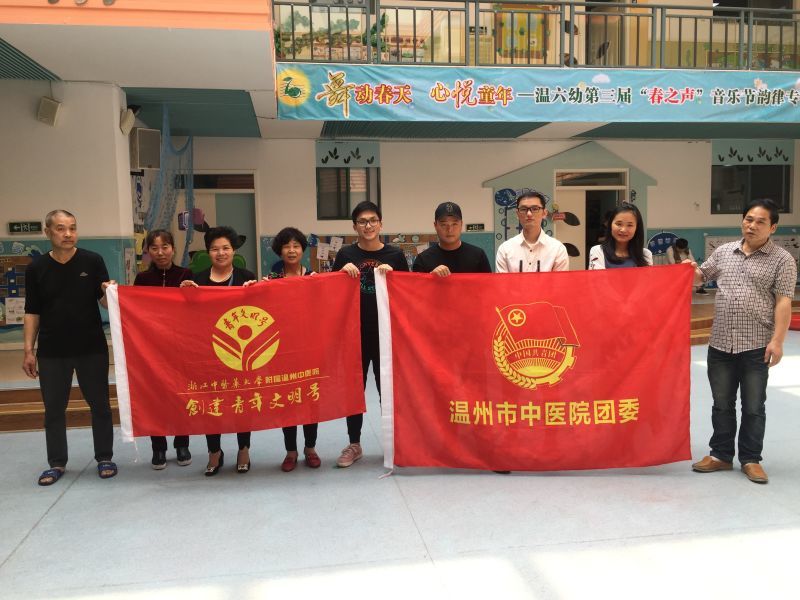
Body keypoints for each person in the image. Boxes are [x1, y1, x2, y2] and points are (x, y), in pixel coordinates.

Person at [690, 199, 796, 484]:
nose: (752, 225)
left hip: (756, 346)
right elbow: (700, 277)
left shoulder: (783, 260)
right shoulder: (724, 252)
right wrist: (688, 270)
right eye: (749, 219)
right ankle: (721, 455)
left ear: (773, 227)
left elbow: (784, 302)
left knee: (753, 406)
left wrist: (778, 341)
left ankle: (751, 459)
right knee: (721, 404)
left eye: (761, 221)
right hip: (720, 344)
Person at [23, 210, 117, 486]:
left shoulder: (93, 260)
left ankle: (104, 457)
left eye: (73, 228)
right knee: (53, 409)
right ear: (48, 232)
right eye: (61, 228)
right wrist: (28, 350)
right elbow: (32, 311)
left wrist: (109, 292)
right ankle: (56, 462)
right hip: (52, 351)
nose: (68, 234)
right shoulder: (36, 268)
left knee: (100, 405)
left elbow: (105, 303)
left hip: (91, 347)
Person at [332, 201, 409, 467]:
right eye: (363, 221)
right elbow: (331, 291)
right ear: (355, 226)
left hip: (386, 334)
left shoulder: (395, 255)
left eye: (373, 220)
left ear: (381, 224)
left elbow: (410, 292)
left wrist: (395, 276)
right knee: (354, 390)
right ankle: (354, 444)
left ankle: (393, 444)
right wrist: (341, 273)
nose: (368, 225)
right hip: (354, 334)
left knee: (387, 389)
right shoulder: (345, 254)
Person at [180, 226, 256, 476]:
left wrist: (257, 291)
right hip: (207, 352)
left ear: (234, 251)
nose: (220, 253)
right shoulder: (198, 279)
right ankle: (214, 451)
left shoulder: (246, 276)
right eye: (215, 249)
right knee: (210, 403)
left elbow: (257, 311)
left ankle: (243, 449)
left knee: (242, 402)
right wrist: (185, 294)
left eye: (225, 248)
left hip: (239, 353)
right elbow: (187, 316)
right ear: (208, 252)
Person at [133, 229, 193, 470]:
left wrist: (192, 292)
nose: (160, 253)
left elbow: (195, 309)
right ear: (148, 251)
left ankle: (182, 444)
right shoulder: (142, 279)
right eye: (154, 248)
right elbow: (134, 308)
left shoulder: (186, 274)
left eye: (165, 247)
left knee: (182, 396)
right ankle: (158, 447)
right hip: (152, 348)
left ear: (173, 249)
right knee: (154, 397)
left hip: (180, 347)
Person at [266, 227, 322, 472]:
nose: (291, 250)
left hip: (309, 348)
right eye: (286, 246)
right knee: (287, 401)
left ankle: (310, 448)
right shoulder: (271, 280)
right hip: (281, 351)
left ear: (302, 250)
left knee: (310, 399)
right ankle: (290, 451)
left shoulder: (314, 278)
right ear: (279, 251)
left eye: (296, 246)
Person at [495, 190, 569, 273]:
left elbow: (559, 281)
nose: (529, 214)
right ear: (517, 214)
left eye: (535, 209)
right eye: (523, 209)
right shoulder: (505, 249)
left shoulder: (557, 249)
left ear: (544, 213)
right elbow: (503, 281)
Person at [413, 202, 491, 276]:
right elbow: (416, 285)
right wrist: (430, 277)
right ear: (435, 225)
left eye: (454, 224)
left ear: (461, 224)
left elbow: (488, 284)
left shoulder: (478, 256)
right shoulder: (422, 260)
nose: (449, 229)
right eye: (444, 224)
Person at [587, 202, 653, 269]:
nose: (623, 230)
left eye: (629, 225)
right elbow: (597, 276)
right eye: (619, 224)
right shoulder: (598, 251)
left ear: (637, 228)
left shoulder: (645, 255)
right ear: (610, 225)